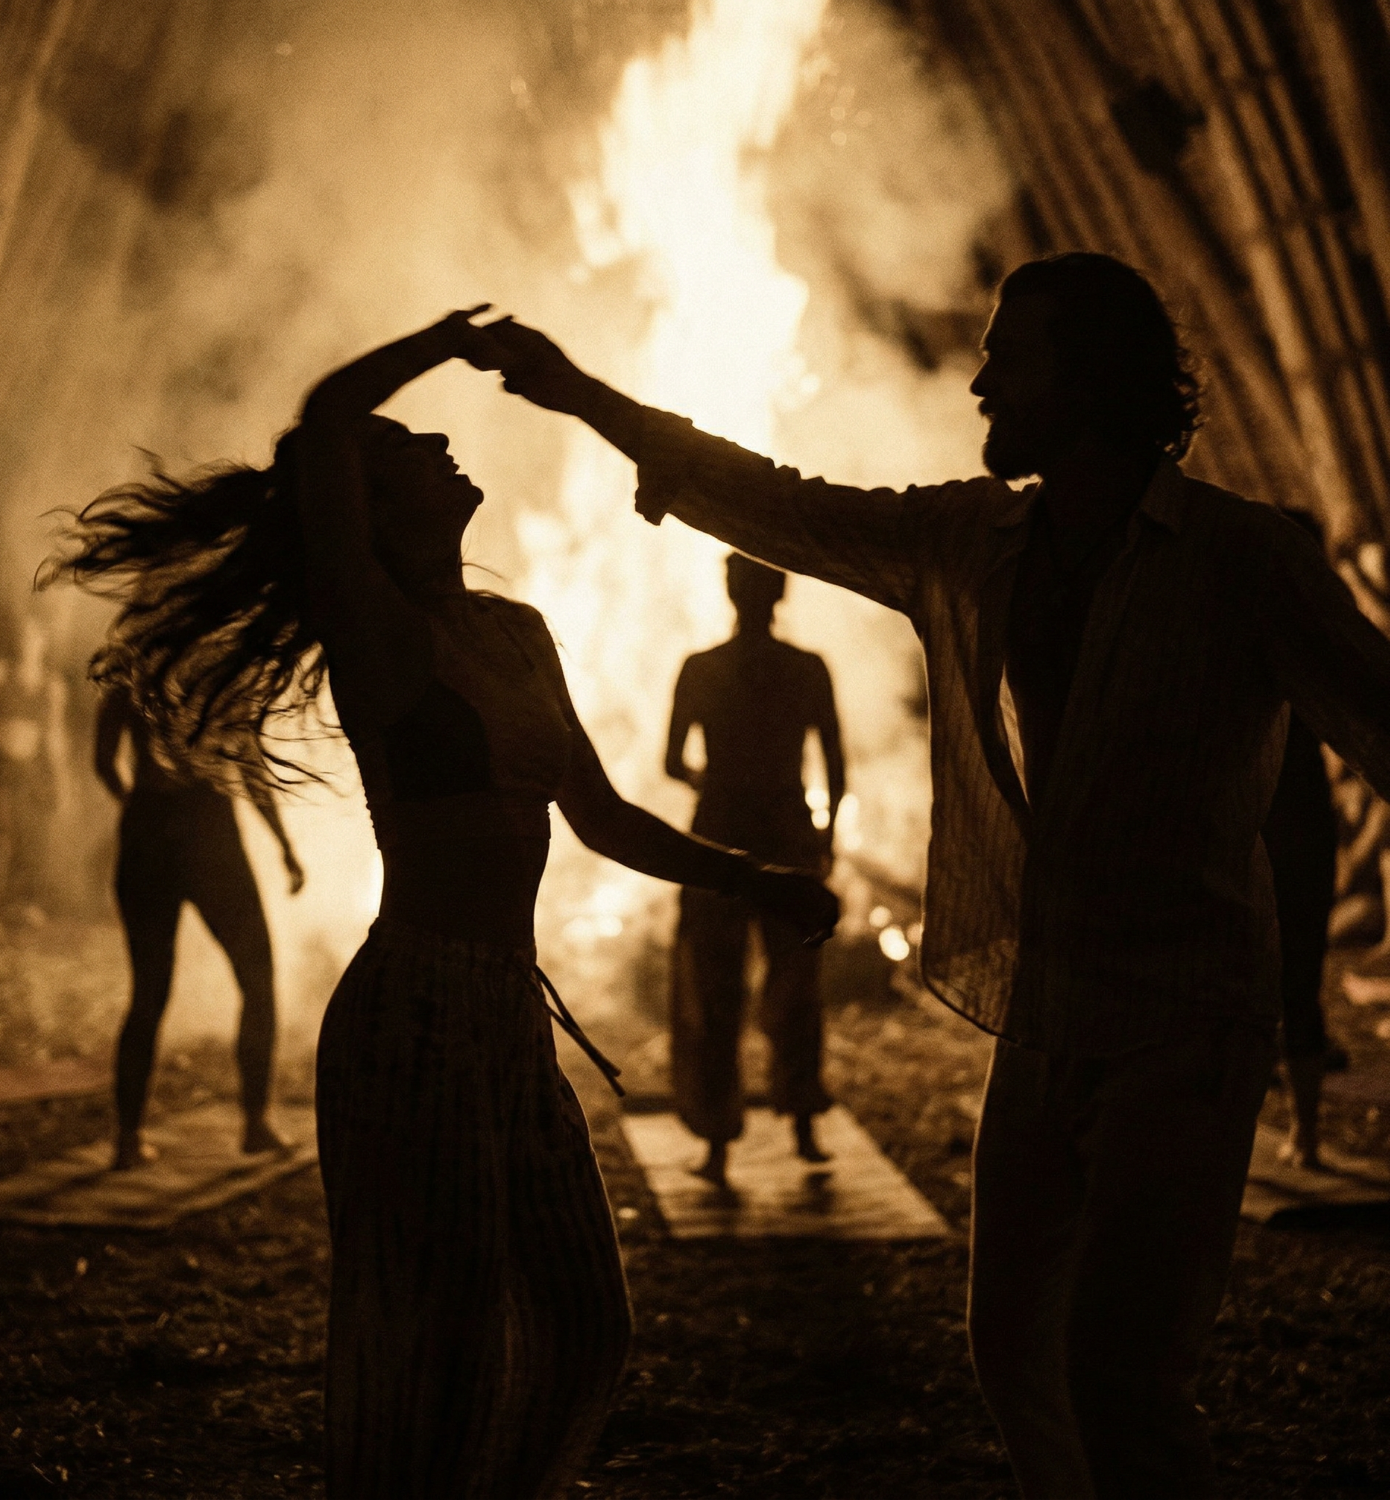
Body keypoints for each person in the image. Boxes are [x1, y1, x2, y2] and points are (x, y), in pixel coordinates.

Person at [471, 255, 1390, 1498]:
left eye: (1012, 358)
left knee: (1125, 1373)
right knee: (1014, 1349)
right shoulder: (976, 541)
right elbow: (788, 503)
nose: (979, 380)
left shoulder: (1238, 560)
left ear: (1094, 379)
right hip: (1050, 1015)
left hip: (1186, 1017)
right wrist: (588, 397)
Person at [53, 307, 838, 1500]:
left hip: (508, 1021)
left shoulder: (518, 632)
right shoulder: (378, 632)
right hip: (412, 1009)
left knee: (586, 1321)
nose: (439, 451)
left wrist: (757, 880)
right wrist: (445, 339)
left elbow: (603, 817)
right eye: (410, 452)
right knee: (435, 1348)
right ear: (373, 511)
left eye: (429, 438)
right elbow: (321, 424)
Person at [664, 551, 843, 1183]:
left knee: (715, 990)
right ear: (781, 592)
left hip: (717, 836)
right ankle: (802, 1125)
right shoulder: (806, 668)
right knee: (794, 985)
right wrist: (826, 833)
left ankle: (717, 1141)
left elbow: (670, 761)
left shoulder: (701, 668)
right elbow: (836, 762)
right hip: (787, 833)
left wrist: (717, 783)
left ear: (732, 592)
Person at [93, 685, 305, 1169]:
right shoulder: (222, 671)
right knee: (257, 979)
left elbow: (103, 761)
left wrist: (137, 803)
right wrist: (283, 844)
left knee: (148, 992)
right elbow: (250, 767)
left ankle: (127, 1140)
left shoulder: (132, 671)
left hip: (148, 835)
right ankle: (256, 1122)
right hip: (210, 836)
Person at [1260, 512, 1340, 1171]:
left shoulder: (1310, 642)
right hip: (1273, 819)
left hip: (1290, 820)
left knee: (1295, 979)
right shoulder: (1304, 638)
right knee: (1286, 980)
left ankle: (1306, 1135)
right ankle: (1301, 1134)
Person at [0, 614, 69, 925]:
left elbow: (54, 735)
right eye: (21, 637)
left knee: (30, 838)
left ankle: (16, 906)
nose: (26, 643)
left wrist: (61, 778)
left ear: (42, 643)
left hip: (29, 772)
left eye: (33, 637)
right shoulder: (0, 675)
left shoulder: (51, 685)